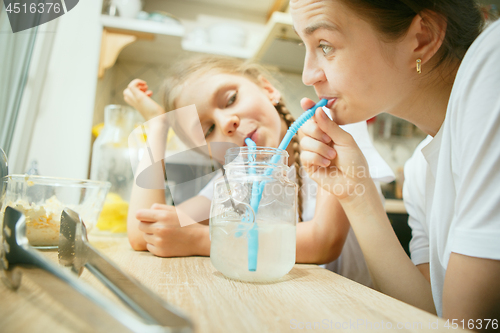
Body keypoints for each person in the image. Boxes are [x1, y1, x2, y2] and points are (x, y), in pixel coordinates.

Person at [291, 0, 500, 324]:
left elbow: (467, 327)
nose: (308, 75)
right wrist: (356, 194)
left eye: (325, 45)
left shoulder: (493, 59)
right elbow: (429, 318)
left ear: (423, 39)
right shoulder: (420, 173)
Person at [123, 55, 394, 286]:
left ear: (267, 89)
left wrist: (199, 239)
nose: (226, 122)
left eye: (230, 99)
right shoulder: (234, 179)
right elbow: (142, 232)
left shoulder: (331, 131)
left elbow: (323, 241)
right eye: (207, 130)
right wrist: (157, 128)